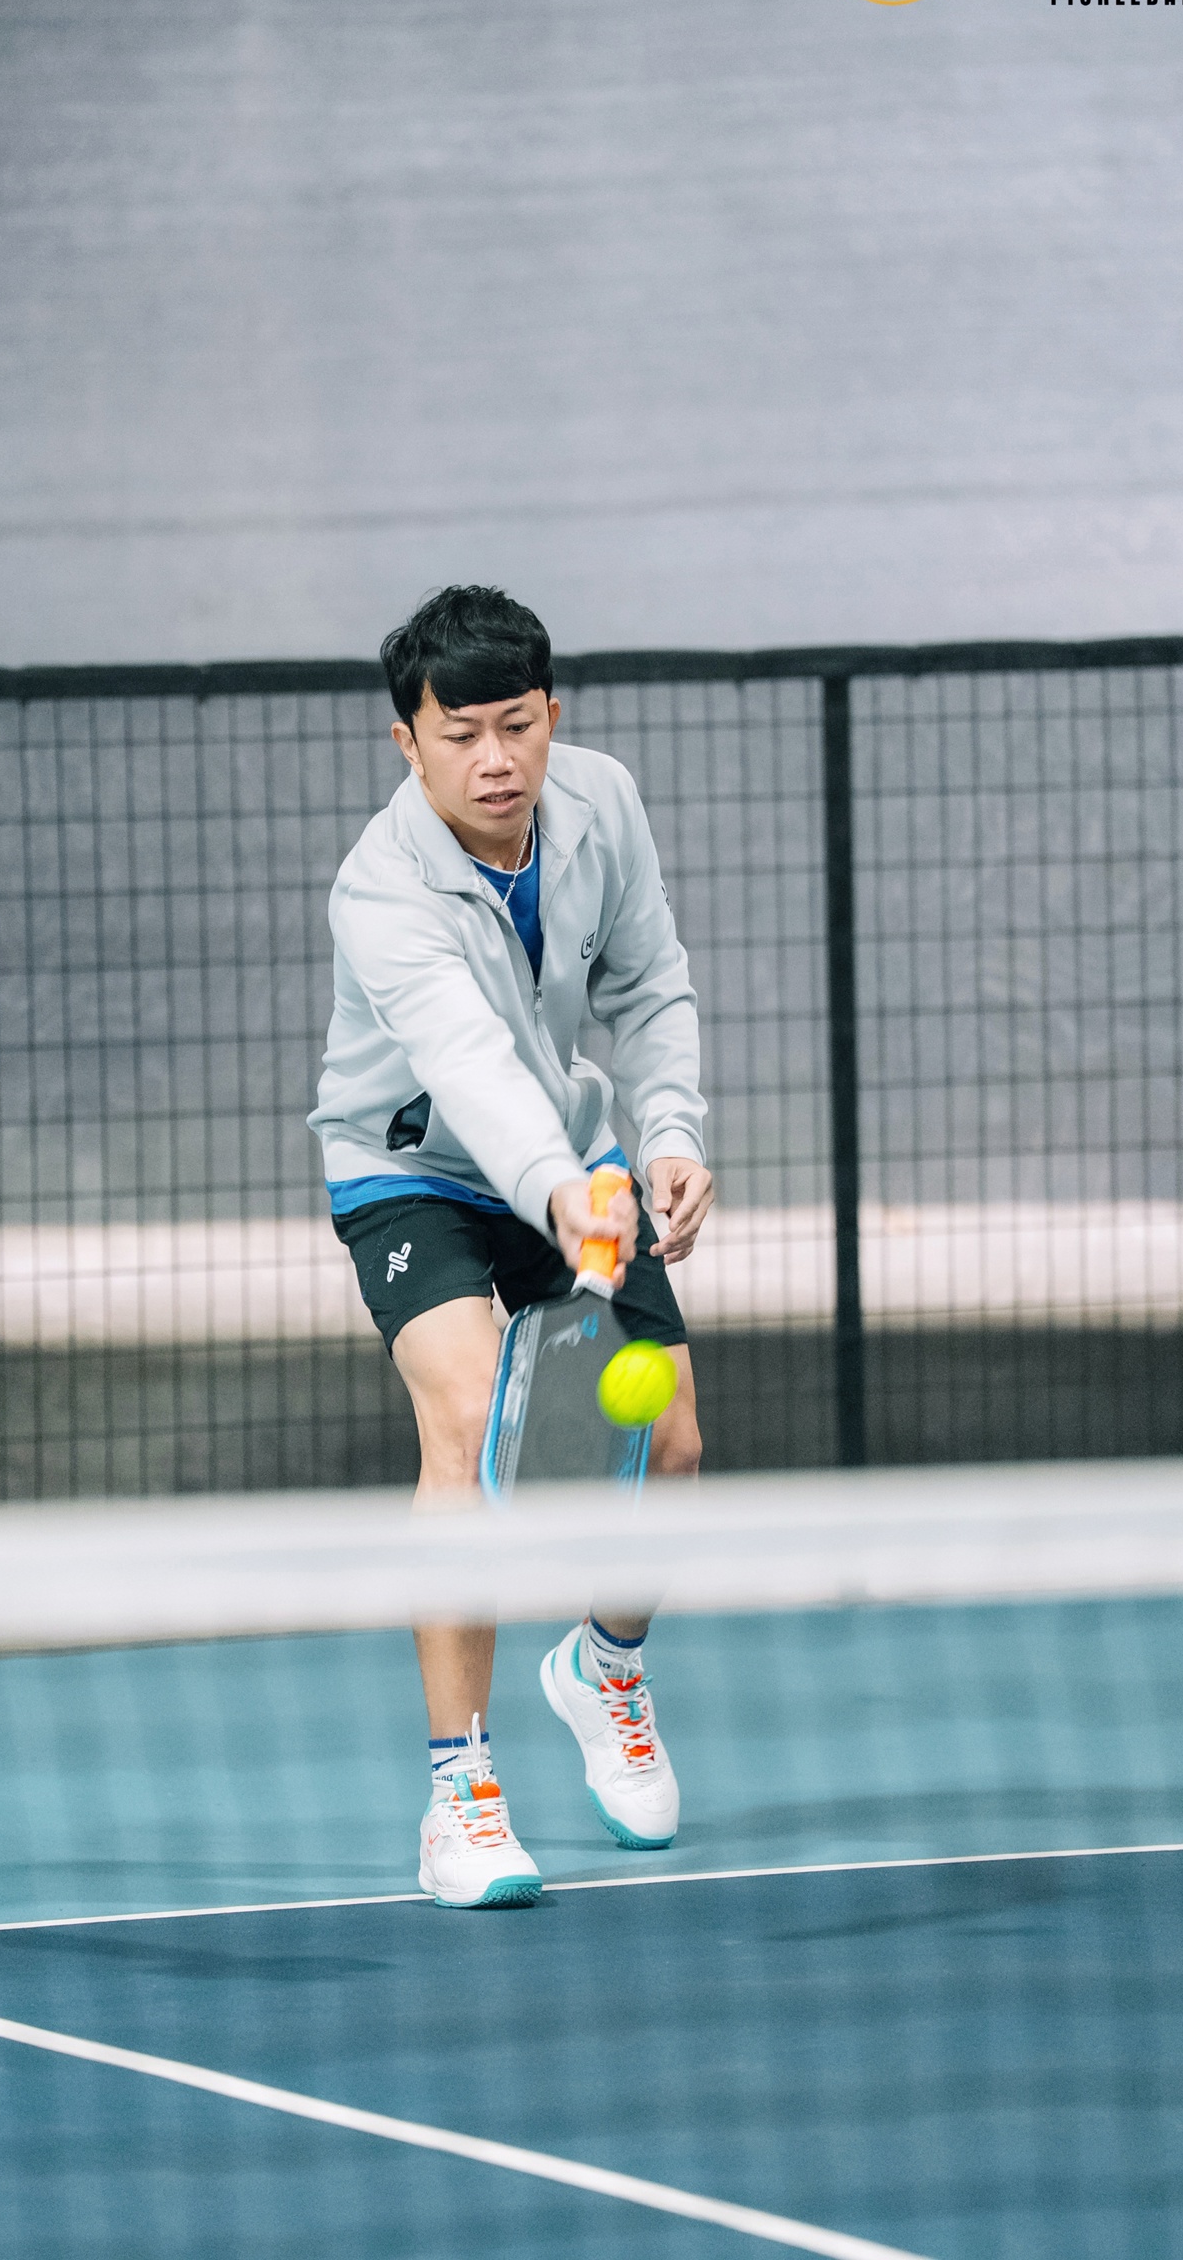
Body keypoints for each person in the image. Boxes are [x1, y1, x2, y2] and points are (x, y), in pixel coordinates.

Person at [310, 585, 714, 1908]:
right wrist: (561, 1193)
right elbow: (468, 1064)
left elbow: (648, 983)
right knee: (470, 1423)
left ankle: (603, 1668)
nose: (495, 759)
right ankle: (459, 1790)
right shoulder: (380, 889)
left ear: (551, 714)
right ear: (407, 742)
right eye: (460, 734)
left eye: (517, 725)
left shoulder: (602, 803)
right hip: (413, 1172)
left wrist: (666, 1133)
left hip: (571, 1159)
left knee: (669, 1446)